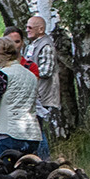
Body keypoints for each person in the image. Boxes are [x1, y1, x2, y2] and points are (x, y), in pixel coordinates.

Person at [22, 14, 58, 156]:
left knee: (38, 129)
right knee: (34, 129)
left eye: (30, 27)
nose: (27, 30)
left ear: (41, 29)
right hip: (35, 93)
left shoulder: (46, 45)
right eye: (26, 27)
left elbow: (46, 71)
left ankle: (44, 159)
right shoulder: (34, 44)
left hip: (44, 94)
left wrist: (25, 72)